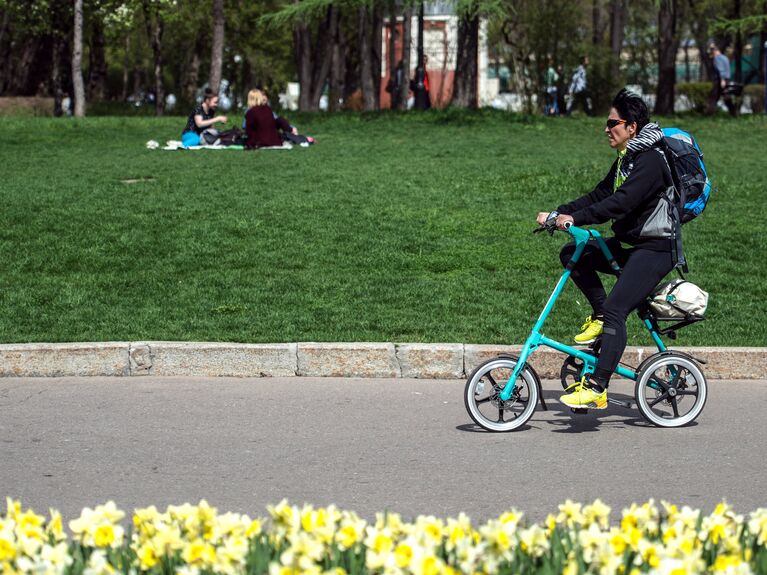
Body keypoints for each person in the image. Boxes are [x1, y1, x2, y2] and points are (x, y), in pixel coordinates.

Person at [536, 89, 679, 409]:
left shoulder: (651, 161)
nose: (606, 128)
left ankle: (598, 387)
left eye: (611, 122)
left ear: (631, 127)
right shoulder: (627, 159)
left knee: (618, 310)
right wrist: (560, 213)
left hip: (656, 249)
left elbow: (620, 203)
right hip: (633, 244)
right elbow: (600, 194)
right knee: (574, 255)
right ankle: (599, 314)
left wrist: (574, 218)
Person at [707, 44, 737, 117]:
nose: (711, 53)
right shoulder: (725, 57)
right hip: (727, 79)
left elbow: (721, 70)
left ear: (714, 51)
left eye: (712, 51)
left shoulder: (717, 58)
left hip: (719, 80)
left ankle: (709, 114)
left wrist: (722, 80)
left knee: (713, 97)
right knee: (727, 96)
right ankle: (733, 113)